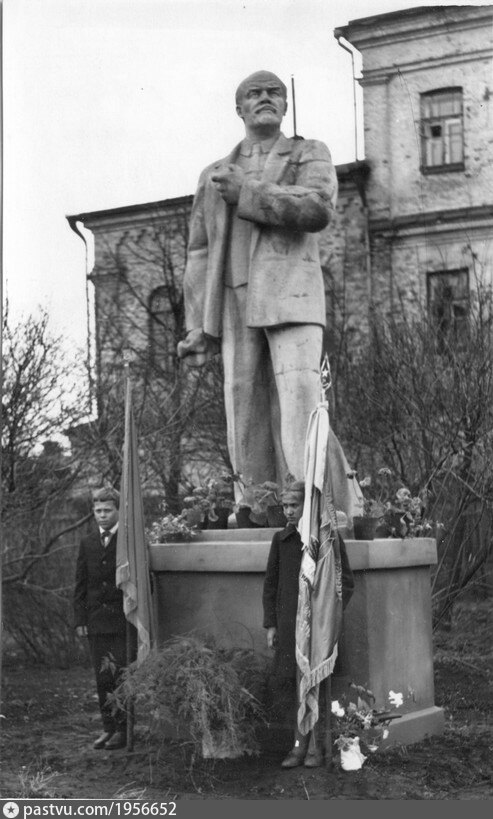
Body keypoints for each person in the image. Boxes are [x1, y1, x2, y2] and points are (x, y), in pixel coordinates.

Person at [177, 70, 339, 496]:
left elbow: (317, 208)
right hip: (235, 300)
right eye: (255, 93)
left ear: (285, 105)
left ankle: (310, 501)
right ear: (240, 108)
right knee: (242, 405)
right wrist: (197, 324)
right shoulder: (213, 174)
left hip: (291, 295)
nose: (265, 98)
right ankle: (255, 504)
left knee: (300, 396)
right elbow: (198, 251)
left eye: (274, 93)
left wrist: (247, 192)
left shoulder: (308, 152)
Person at [262, 482, 354, 768]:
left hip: (320, 629)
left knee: (318, 685)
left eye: (295, 505)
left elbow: (345, 581)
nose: (289, 511)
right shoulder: (282, 540)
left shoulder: (326, 540)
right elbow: (271, 585)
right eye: (285, 506)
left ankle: (318, 747)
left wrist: (328, 614)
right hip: (291, 628)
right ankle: (298, 746)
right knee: (294, 687)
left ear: (309, 506)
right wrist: (271, 625)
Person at [74, 487, 137, 750]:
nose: (102, 515)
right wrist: (80, 620)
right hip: (96, 621)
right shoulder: (87, 542)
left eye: (107, 510)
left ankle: (124, 729)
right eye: (98, 510)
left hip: (122, 620)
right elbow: (81, 584)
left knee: (122, 676)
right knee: (102, 678)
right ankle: (108, 728)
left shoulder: (128, 542)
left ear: (118, 511)